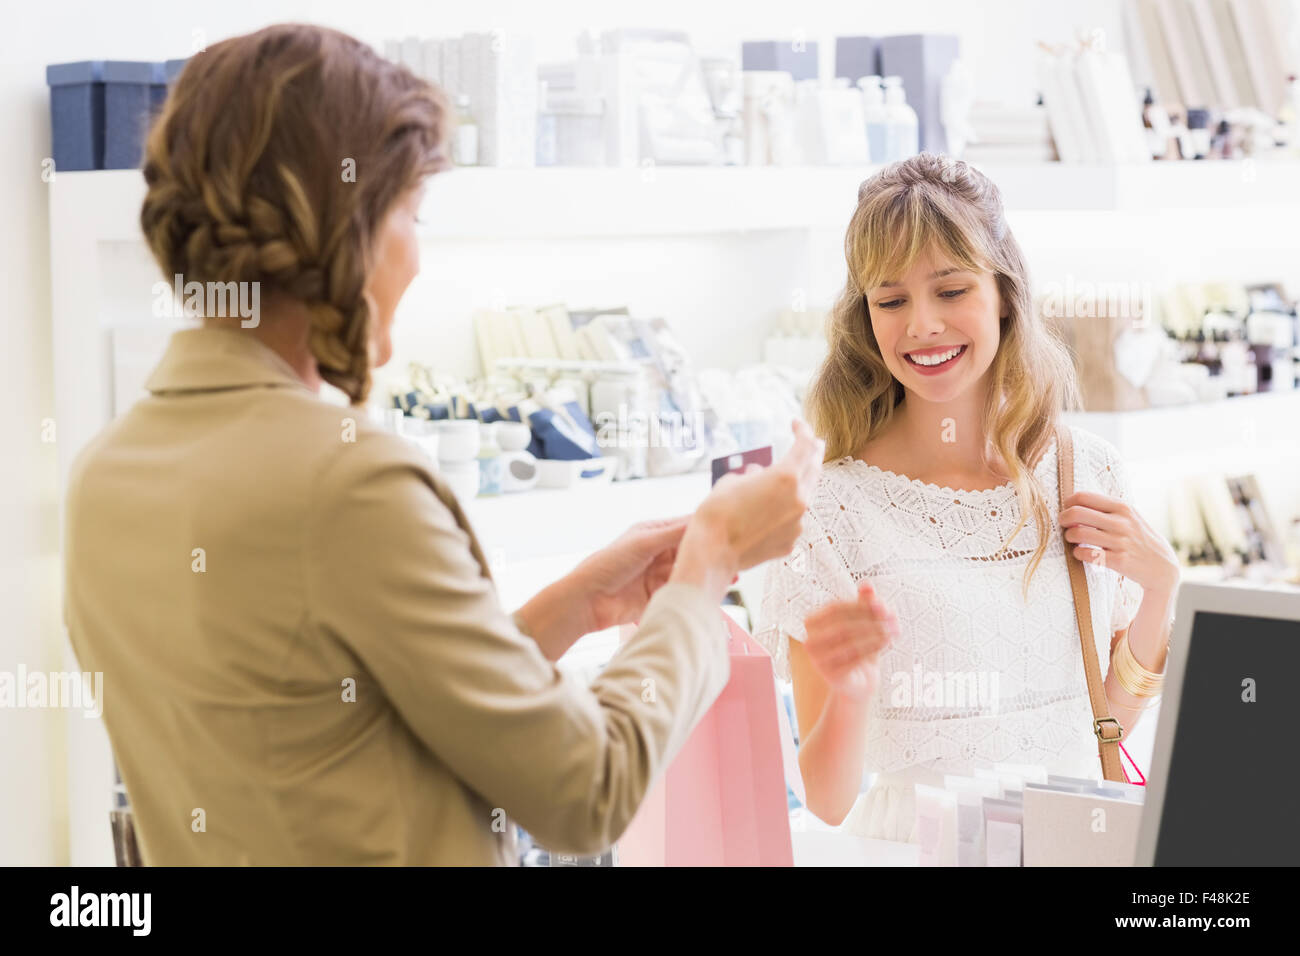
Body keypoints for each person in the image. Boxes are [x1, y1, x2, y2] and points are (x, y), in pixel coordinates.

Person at [62, 23, 824, 865]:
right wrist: (705, 573)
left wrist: (573, 605)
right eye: (411, 214)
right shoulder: (348, 480)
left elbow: (336, 719)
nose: (419, 260)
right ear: (342, 222)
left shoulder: (105, 475)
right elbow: (585, 790)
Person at [755, 154, 1179, 841]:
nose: (921, 324)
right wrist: (853, 691)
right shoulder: (829, 513)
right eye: (891, 300)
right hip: (915, 849)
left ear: (1005, 293)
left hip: (1068, 842)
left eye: (950, 290)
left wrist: (1160, 590)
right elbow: (827, 800)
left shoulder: (1086, 470)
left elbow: (1100, 729)